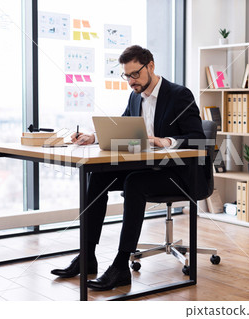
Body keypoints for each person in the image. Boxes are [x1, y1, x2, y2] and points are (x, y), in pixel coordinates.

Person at [50, 45, 209, 291]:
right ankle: (87, 255)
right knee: (97, 175)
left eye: (135, 74)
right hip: (148, 168)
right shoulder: (135, 96)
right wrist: (94, 137)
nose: (131, 81)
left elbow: (198, 137)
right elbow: (124, 130)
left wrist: (165, 141)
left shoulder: (179, 95)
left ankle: (121, 266)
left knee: (134, 182)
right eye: (126, 75)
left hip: (179, 174)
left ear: (151, 66)